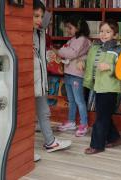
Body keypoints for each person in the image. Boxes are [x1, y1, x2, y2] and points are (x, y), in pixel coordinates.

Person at [33, 0, 71, 155]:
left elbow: (47, 16)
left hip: (39, 81)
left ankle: (50, 142)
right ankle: (23, 152)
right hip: (29, 81)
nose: (40, 20)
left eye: (41, 16)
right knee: (23, 115)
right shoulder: (23, 33)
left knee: (44, 111)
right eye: (35, 16)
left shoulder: (39, 31)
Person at [83, 20, 121, 154]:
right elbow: (90, 63)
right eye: (101, 31)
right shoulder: (95, 47)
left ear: (115, 34)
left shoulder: (119, 49)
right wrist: (82, 63)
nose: (104, 34)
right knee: (104, 115)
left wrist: (110, 67)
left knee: (101, 117)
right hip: (97, 86)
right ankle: (115, 138)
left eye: (108, 31)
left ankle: (97, 145)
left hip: (110, 87)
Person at [56, 16, 91, 137]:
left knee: (79, 101)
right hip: (69, 74)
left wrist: (58, 51)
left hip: (77, 75)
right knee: (71, 100)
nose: (67, 30)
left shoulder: (82, 39)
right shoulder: (73, 39)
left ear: (78, 27)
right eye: (67, 27)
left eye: (70, 27)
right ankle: (71, 121)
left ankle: (84, 124)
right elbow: (67, 51)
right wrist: (62, 51)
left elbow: (71, 53)